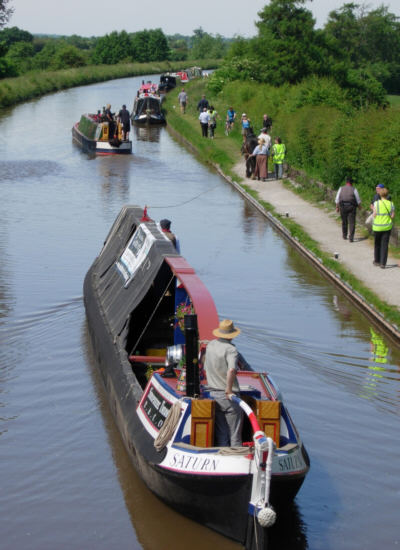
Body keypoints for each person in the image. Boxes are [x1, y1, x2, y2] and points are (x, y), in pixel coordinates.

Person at [204, 319, 243, 447]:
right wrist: (229, 390)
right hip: (228, 399)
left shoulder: (210, 345)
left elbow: (205, 366)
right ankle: (236, 458)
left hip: (213, 394)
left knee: (222, 432)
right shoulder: (231, 350)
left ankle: (223, 454)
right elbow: (231, 369)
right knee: (235, 434)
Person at [372, 187, 395, 268]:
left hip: (377, 227)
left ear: (380, 194)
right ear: (387, 194)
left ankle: (376, 261)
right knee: (384, 245)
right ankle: (383, 263)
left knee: (377, 244)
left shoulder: (376, 203)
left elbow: (374, 215)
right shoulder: (391, 204)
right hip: (387, 227)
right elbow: (392, 216)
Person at [335, 176, 361, 242]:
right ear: (351, 183)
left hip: (343, 207)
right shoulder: (354, 189)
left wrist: (337, 207)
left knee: (344, 222)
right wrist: (360, 207)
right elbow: (358, 200)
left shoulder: (341, 188)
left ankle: (344, 235)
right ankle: (351, 237)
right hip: (351, 207)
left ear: (346, 182)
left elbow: (337, 199)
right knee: (352, 222)